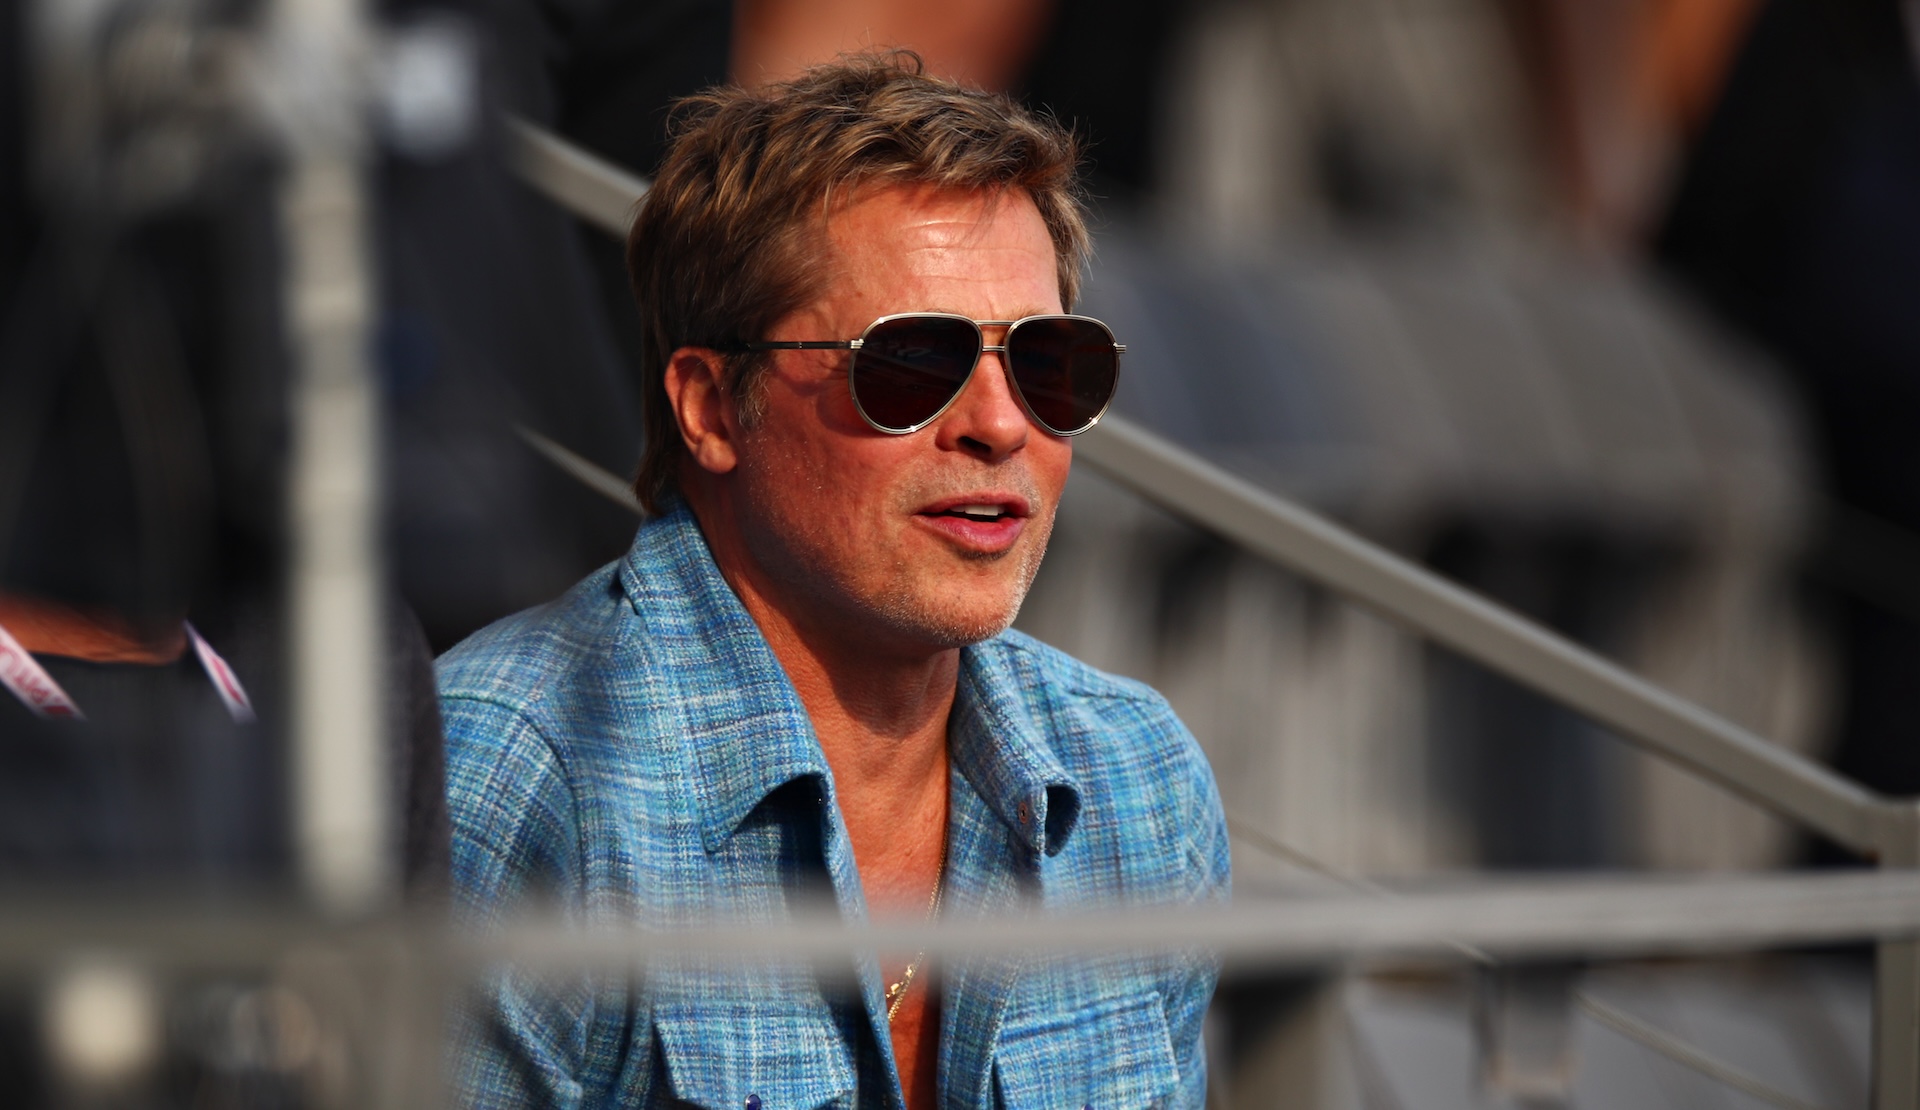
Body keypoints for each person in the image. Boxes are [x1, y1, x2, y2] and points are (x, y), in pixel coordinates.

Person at [438, 53, 1229, 1110]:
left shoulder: (1139, 780)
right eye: (910, 364)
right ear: (711, 408)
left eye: (1051, 366)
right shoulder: (515, 775)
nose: (1001, 425)